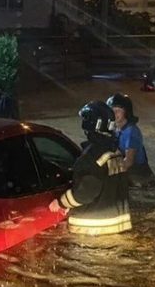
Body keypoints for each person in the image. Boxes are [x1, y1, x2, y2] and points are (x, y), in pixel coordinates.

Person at [49, 101, 131, 235]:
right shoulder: (115, 152)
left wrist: (61, 203)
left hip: (92, 231)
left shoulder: (91, 157)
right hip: (118, 228)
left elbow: (86, 193)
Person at [107, 93, 155, 187]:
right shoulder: (114, 127)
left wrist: (107, 172)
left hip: (140, 177)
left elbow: (129, 162)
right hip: (127, 172)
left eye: (118, 111)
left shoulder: (131, 132)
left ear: (126, 112)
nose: (114, 114)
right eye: (112, 111)